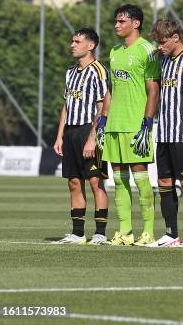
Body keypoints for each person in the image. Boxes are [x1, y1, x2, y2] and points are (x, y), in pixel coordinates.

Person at [100, 4, 161, 246]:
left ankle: (148, 232)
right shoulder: (114, 51)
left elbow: (153, 89)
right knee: (118, 179)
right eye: (116, 21)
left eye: (122, 21)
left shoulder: (148, 50)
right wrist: (104, 119)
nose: (117, 25)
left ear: (136, 23)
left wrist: (147, 122)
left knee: (141, 179)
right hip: (115, 124)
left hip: (136, 125)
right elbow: (111, 89)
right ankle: (124, 231)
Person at [147, 18, 183, 248]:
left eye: (163, 42)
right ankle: (171, 233)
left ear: (175, 38)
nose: (159, 46)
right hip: (164, 132)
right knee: (164, 181)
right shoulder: (164, 61)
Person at [53, 28, 109, 245]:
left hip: (89, 130)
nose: (72, 45)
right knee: (74, 182)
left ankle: (100, 233)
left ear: (90, 45)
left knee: (95, 181)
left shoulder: (99, 71)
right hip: (71, 133)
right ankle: (77, 233)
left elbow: (103, 106)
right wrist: (60, 136)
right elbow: (66, 106)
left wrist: (93, 137)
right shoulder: (70, 72)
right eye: (72, 41)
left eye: (77, 41)